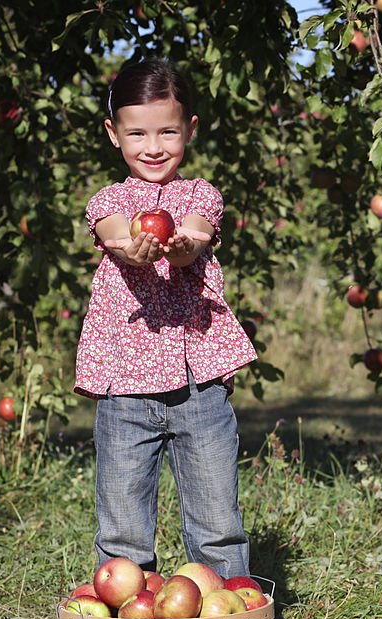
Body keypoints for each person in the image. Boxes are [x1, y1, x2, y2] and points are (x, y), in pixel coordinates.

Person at [75, 57, 256, 579]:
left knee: (218, 519)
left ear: (190, 130)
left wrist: (178, 248)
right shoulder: (108, 201)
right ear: (114, 134)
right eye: (137, 133)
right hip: (125, 390)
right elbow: (118, 239)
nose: (153, 147)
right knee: (123, 528)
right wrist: (134, 251)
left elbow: (193, 238)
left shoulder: (201, 195)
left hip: (199, 385)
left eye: (167, 131)